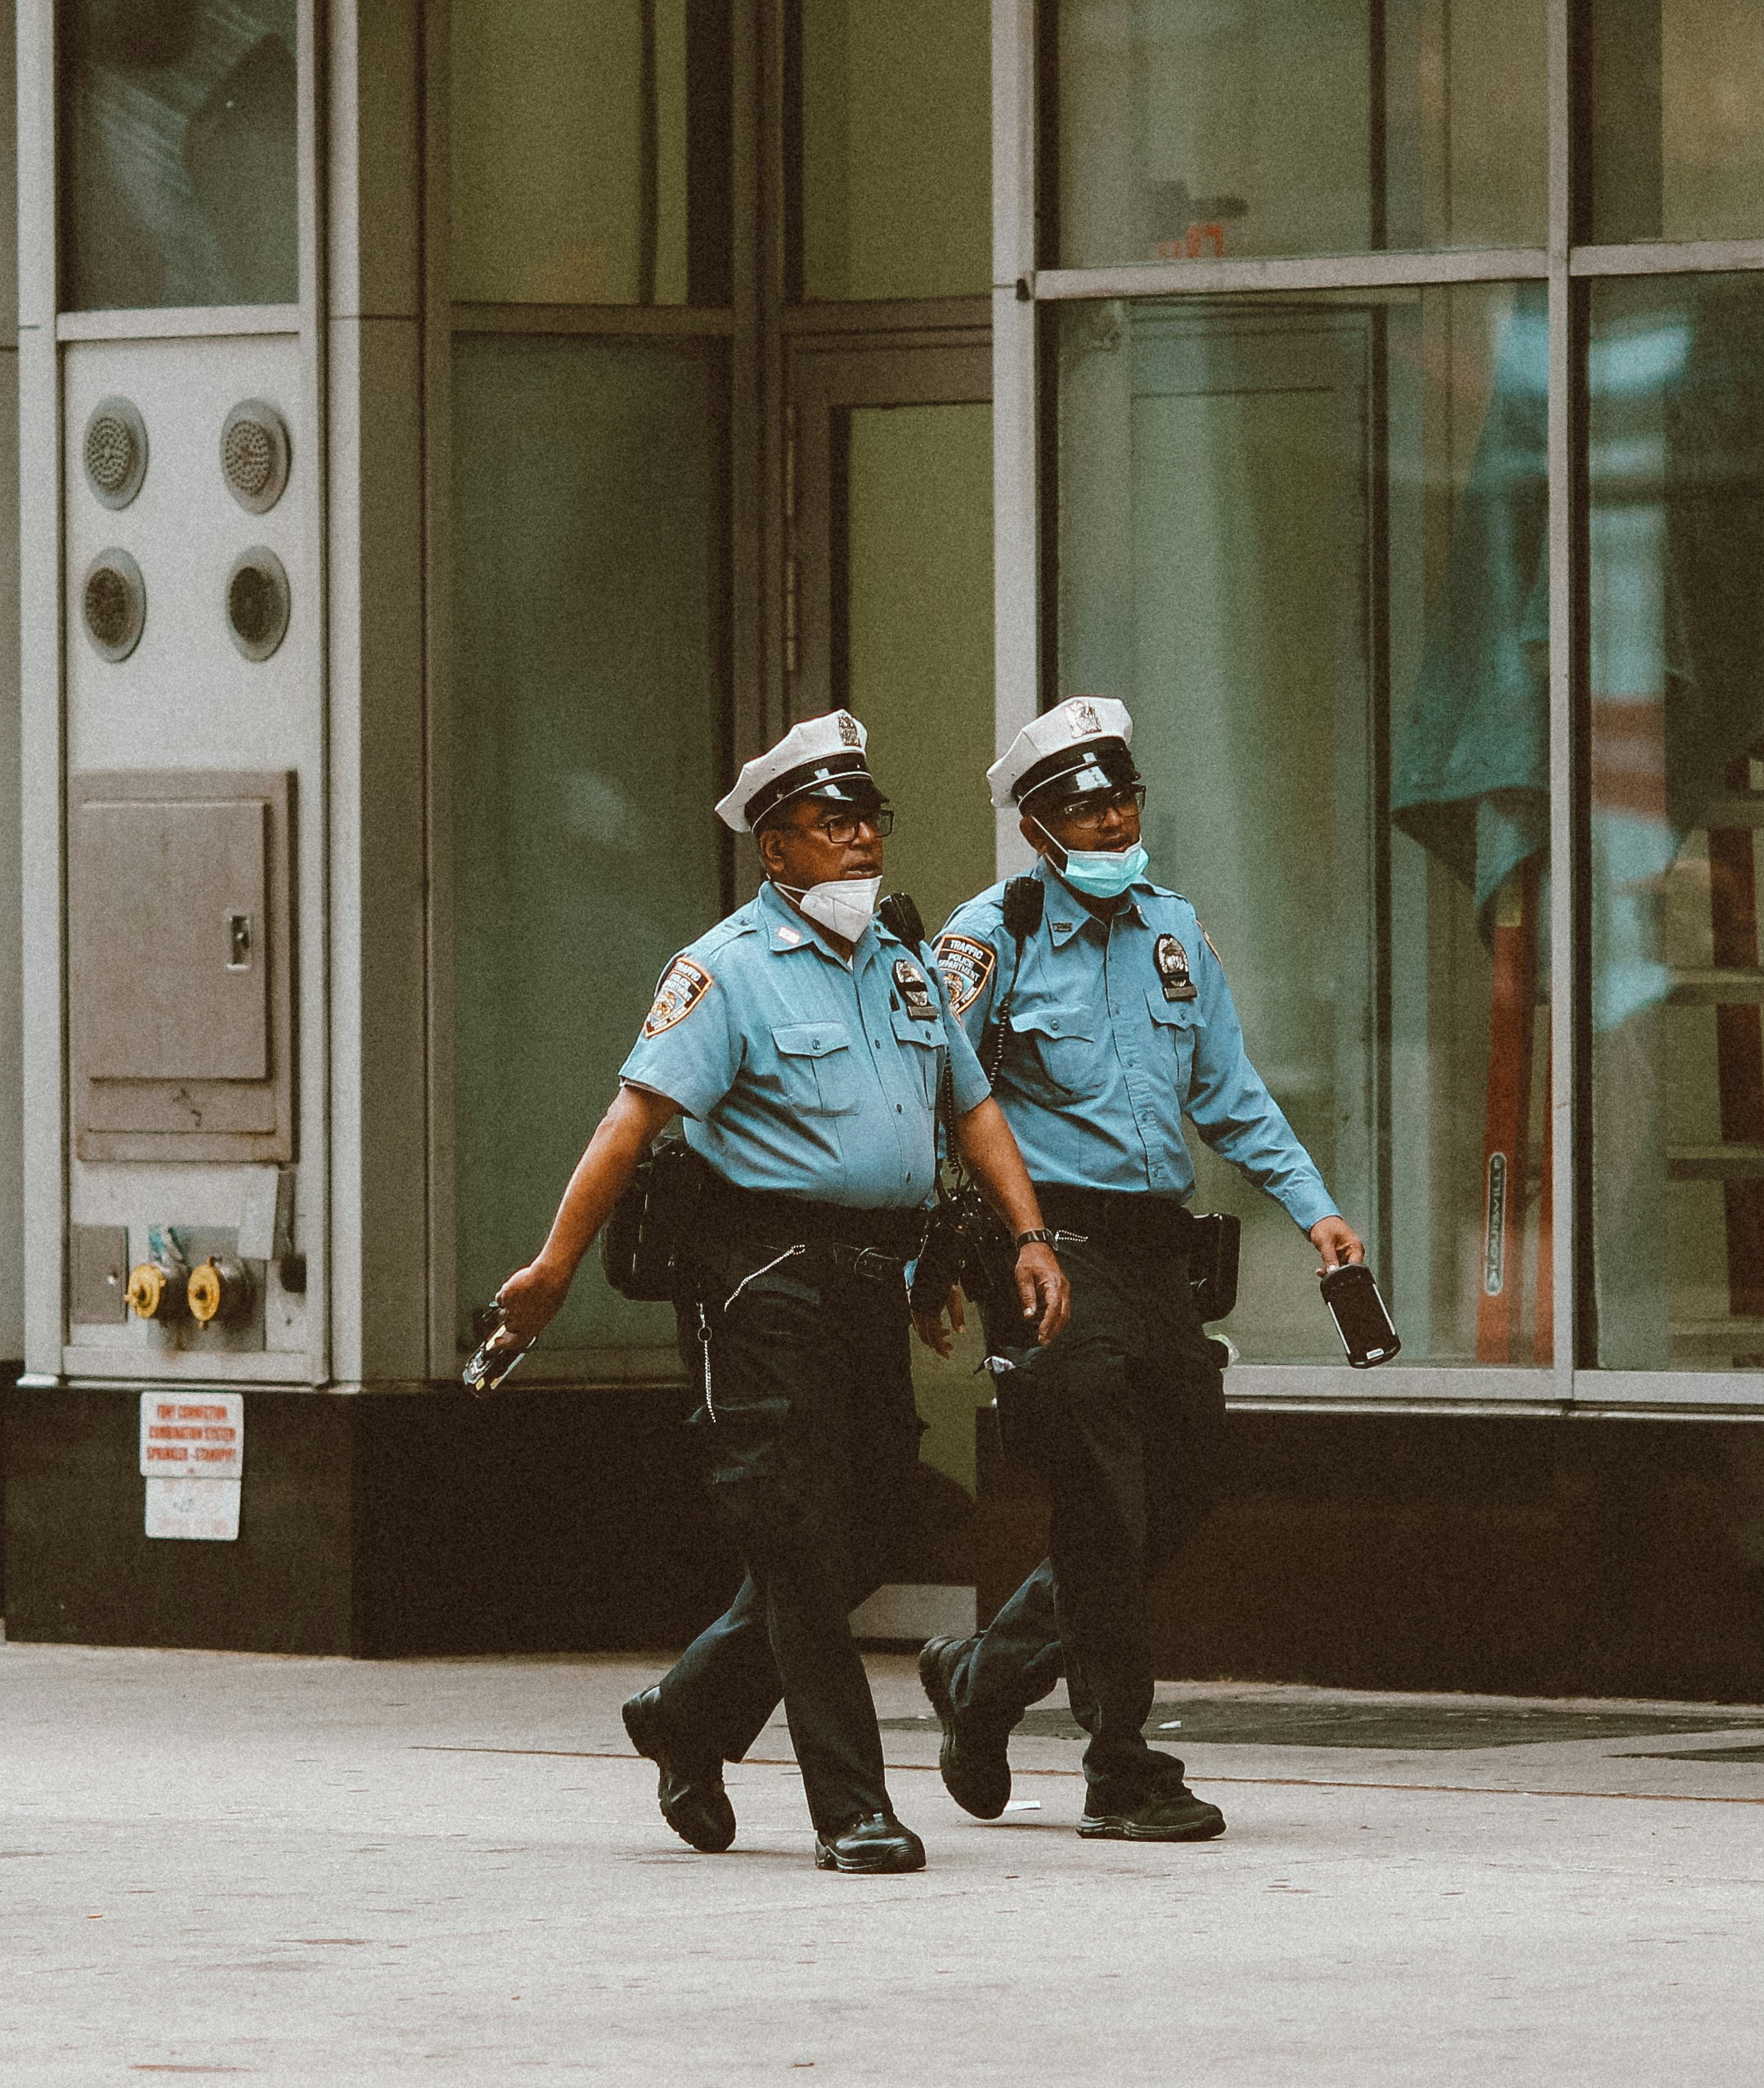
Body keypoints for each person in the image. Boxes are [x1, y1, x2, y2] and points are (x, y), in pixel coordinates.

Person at [494, 710, 1069, 1875]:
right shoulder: (725, 971)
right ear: (775, 847)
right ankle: (850, 1804)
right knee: (801, 1537)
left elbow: (966, 1109)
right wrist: (551, 1271)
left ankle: (689, 1713)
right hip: (761, 1280)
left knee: (867, 1528)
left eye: (870, 818)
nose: (862, 840)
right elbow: (629, 1122)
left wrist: (1019, 1235)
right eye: (832, 821)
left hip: (868, 1280)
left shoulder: (903, 965)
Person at [918, 696, 1364, 1843]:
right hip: (1047, 1250)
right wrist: (940, 1256)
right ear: (1036, 828)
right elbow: (925, 1095)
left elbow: (1230, 1090)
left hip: (1155, 1249)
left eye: (1122, 798)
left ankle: (981, 1679)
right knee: (1103, 1502)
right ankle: (1119, 1762)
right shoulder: (989, 937)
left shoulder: (1171, 929)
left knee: (1179, 1490)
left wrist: (1313, 1210)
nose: (1112, 821)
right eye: (1083, 807)